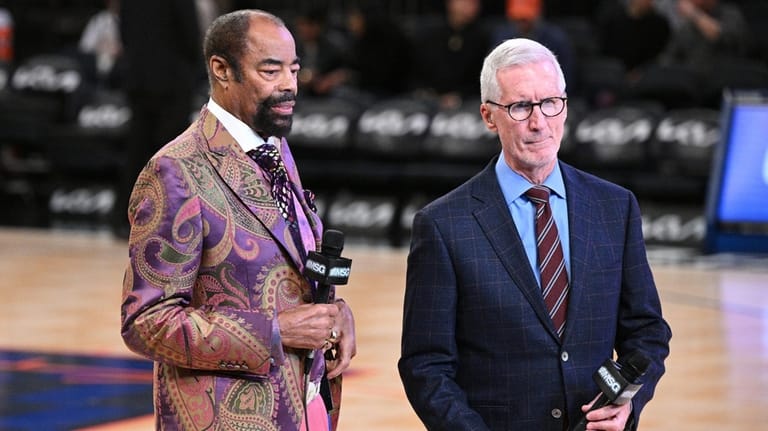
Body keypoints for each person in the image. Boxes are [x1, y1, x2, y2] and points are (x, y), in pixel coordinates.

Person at [399, 38, 671, 430]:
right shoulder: (443, 225)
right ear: (489, 117)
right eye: (520, 106)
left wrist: (629, 403)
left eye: (550, 103)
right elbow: (425, 365)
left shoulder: (615, 207)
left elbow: (647, 331)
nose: (539, 121)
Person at [120, 9, 356, 431]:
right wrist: (275, 331)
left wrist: (334, 315)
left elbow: (286, 273)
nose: (289, 85)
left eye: (294, 69)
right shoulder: (176, 170)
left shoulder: (275, 148)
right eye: (271, 70)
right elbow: (146, 323)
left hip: (300, 407)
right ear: (221, 70)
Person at [113, 0, 205, 239]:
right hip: (172, 82)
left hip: (139, 78)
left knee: (136, 152)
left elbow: (123, 32)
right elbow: (191, 35)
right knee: (171, 156)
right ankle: (168, 221)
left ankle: (124, 219)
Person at [410, 0, 492, 109]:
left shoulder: (483, 38)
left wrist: (460, 96)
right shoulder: (429, 34)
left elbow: (481, 78)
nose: (471, 7)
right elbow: (414, 70)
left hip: (467, 101)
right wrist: (424, 91)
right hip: (427, 97)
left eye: (475, 3)